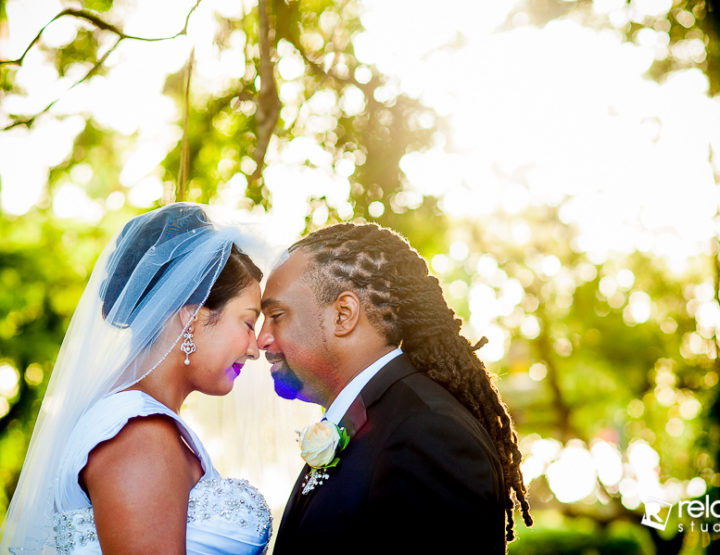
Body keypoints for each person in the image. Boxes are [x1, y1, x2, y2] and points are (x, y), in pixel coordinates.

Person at [0, 203, 273, 554]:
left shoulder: (137, 422)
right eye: (248, 323)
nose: (255, 349)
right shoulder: (138, 434)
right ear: (191, 317)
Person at [259, 222, 533, 554]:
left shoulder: (428, 434)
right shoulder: (372, 421)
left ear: (343, 315)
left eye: (276, 315)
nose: (262, 339)